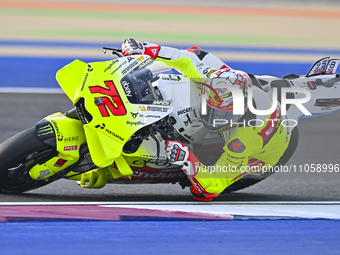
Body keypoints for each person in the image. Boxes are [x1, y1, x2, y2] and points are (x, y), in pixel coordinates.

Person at [121, 38, 296, 202]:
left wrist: (187, 158)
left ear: (240, 112)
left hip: (267, 150)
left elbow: (210, 190)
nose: (213, 120)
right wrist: (144, 49)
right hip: (251, 93)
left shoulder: (243, 142)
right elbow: (186, 59)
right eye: (211, 109)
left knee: (201, 188)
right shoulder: (216, 78)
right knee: (196, 53)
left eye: (222, 116)